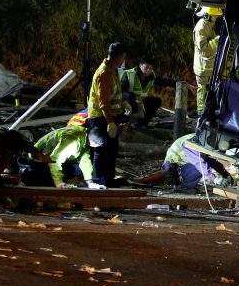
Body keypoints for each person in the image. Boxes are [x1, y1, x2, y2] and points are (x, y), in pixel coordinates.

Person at [87, 41, 127, 187]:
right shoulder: (104, 73)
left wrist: (122, 109)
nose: (123, 61)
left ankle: (108, 180)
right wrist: (110, 122)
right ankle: (98, 181)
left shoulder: (113, 70)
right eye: (123, 57)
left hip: (110, 116)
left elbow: (113, 95)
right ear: (118, 57)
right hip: (99, 117)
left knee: (111, 149)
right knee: (101, 149)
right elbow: (103, 102)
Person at [22, 125, 103, 188]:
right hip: (38, 160)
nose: (96, 147)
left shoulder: (84, 135)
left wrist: (89, 181)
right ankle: (28, 175)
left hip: (49, 157)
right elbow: (54, 160)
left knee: (76, 170)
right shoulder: (72, 142)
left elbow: (85, 160)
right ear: (92, 142)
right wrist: (59, 183)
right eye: (97, 145)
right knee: (47, 185)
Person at [161, 133, 235, 191]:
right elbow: (198, 162)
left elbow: (211, 161)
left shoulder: (206, 142)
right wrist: (215, 178)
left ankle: (182, 185)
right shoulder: (193, 144)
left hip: (181, 164)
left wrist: (226, 175)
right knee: (199, 168)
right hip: (174, 168)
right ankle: (181, 187)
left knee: (203, 165)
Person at [121, 55, 175, 128]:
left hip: (140, 105)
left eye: (150, 68)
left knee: (156, 101)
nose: (148, 70)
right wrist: (134, 99)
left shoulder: (151, 76)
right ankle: (125, 122)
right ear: (140, 66)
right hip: (126, 104)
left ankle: (142, 124)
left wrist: (183, 84)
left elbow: (164, 81)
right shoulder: (128, 74)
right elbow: (121, 92)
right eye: (146, 67)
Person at [193, 7, 222, 117]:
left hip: (209, 67)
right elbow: (205, 50)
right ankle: (201, 116)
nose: (216, 18)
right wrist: (218, 40)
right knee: (203, 93)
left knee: (209, 93)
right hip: (203, 68)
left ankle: (207, 114)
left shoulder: (209, 25)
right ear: (208, 15)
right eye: (215, 16)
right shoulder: (201, 27)